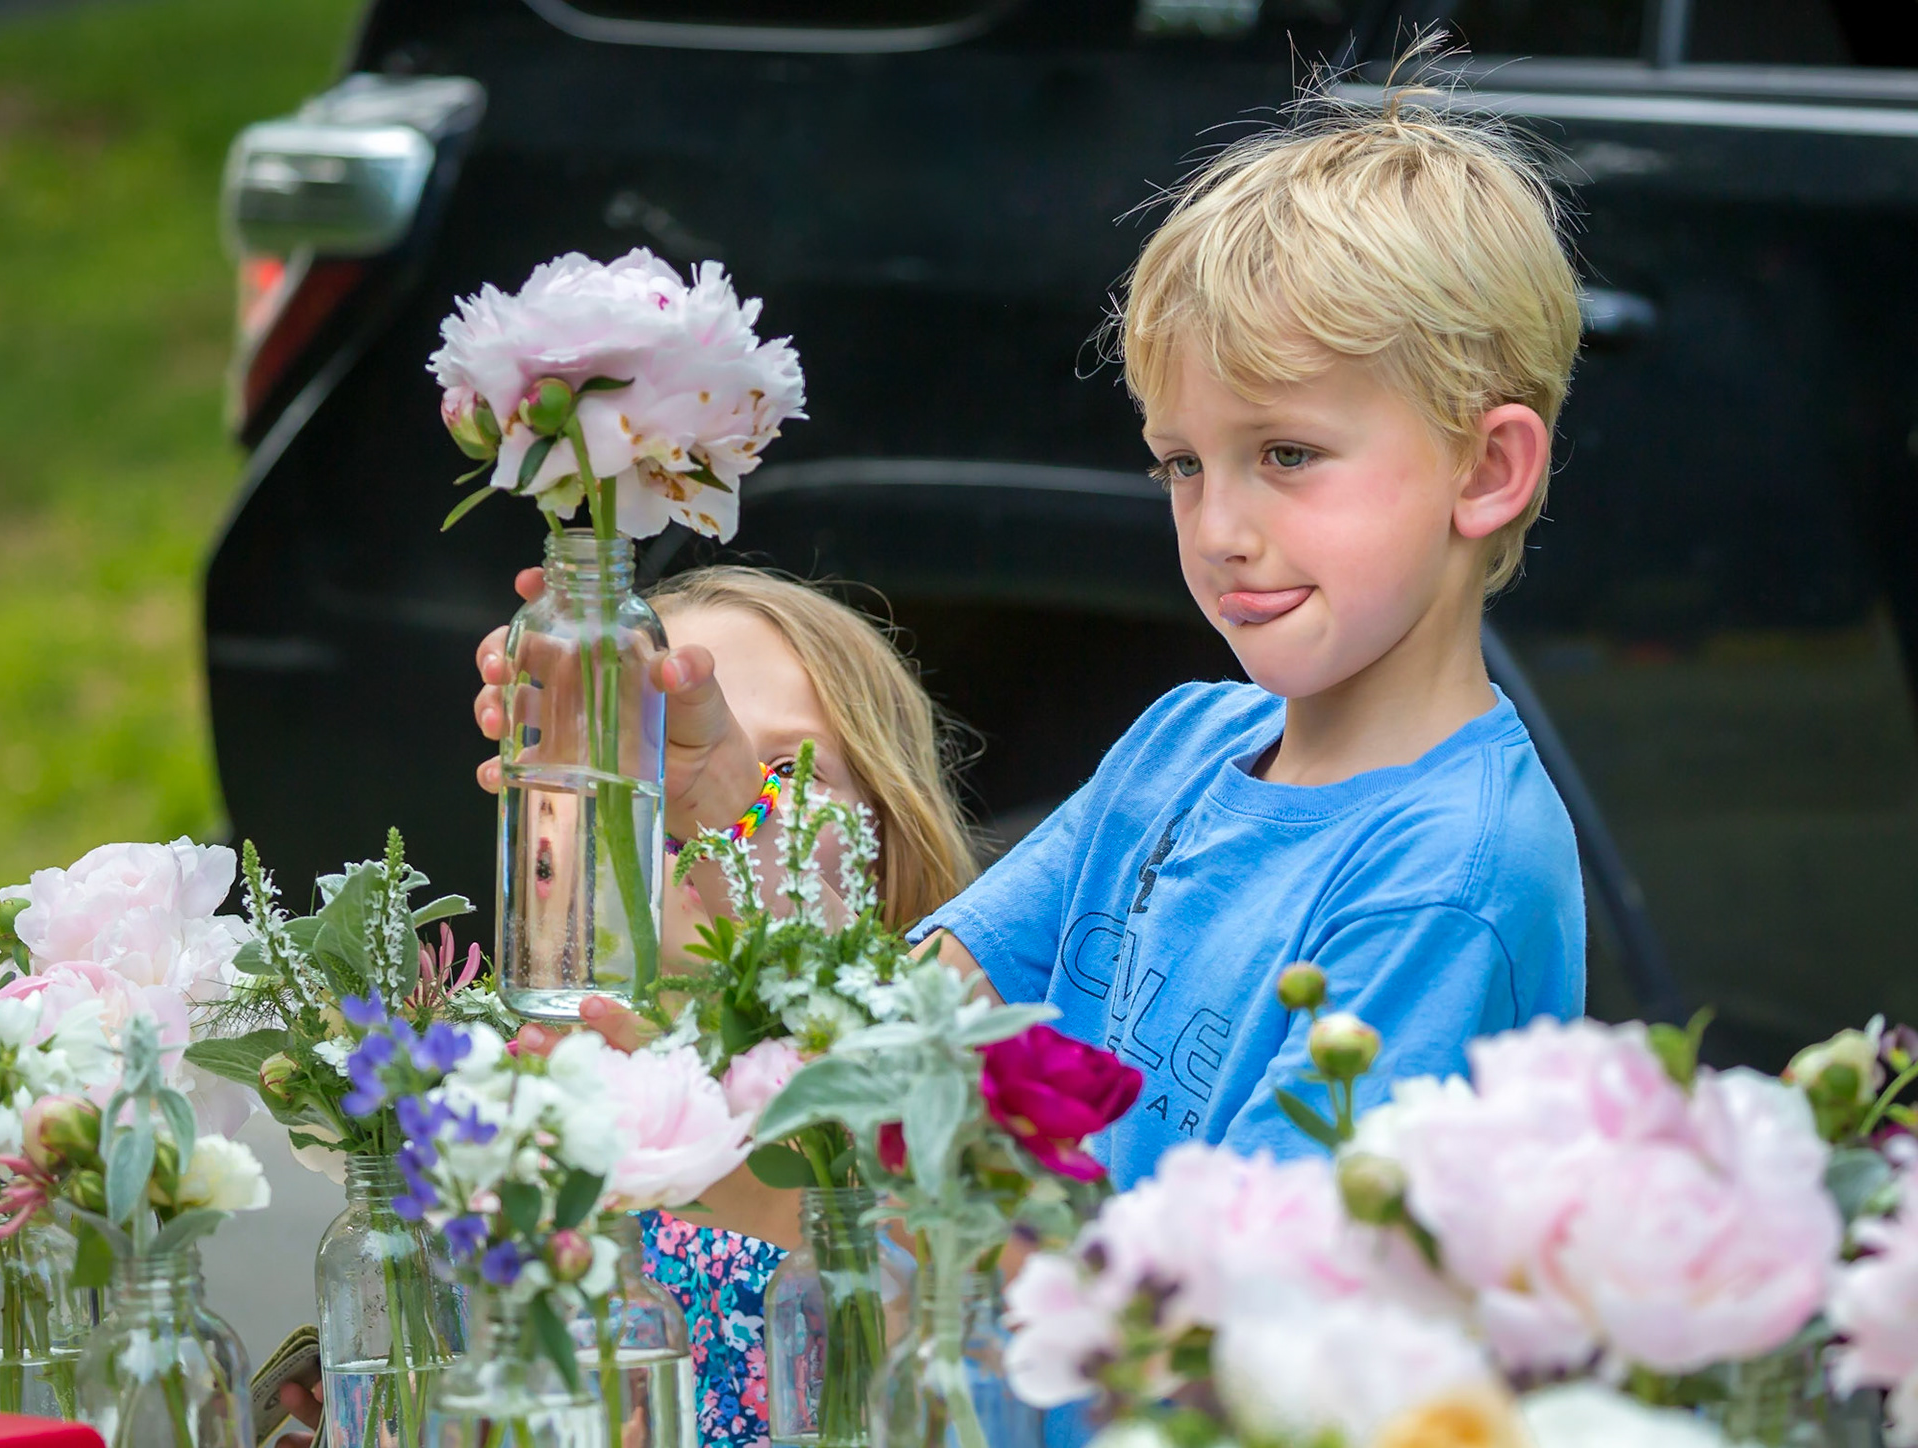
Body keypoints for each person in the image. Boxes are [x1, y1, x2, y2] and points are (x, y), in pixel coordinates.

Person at [578, 87, 1589, 1187]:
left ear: (1487, 470)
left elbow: (1248, 1306)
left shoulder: (1449, 876)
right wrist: (740, 803)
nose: (1220, 530)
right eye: (1183, 464)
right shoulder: (1183, 743)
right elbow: (889, 1036)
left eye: (1288, 453)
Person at [279, 565, 976, 1448]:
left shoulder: (929, 1126)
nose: (703, 786)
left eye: (785, 770)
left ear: (891, 845)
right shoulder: (503, 1135)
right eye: (652, 751)